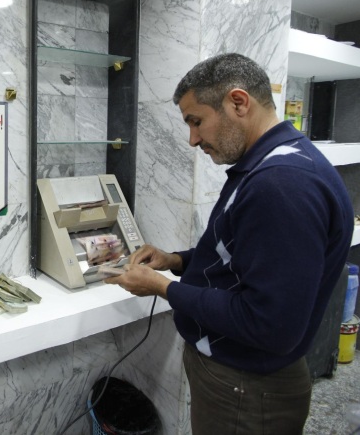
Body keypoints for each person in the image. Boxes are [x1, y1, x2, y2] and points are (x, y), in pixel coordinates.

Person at [105, 53, 354, 434]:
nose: (192, 139)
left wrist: (163, 288)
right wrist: (175, 261)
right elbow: (245, 262)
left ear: (238, 102)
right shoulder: (274, 162)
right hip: (242, 379)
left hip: (247, 390)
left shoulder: (281, 183)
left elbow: (270, 323)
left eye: (196, 121)